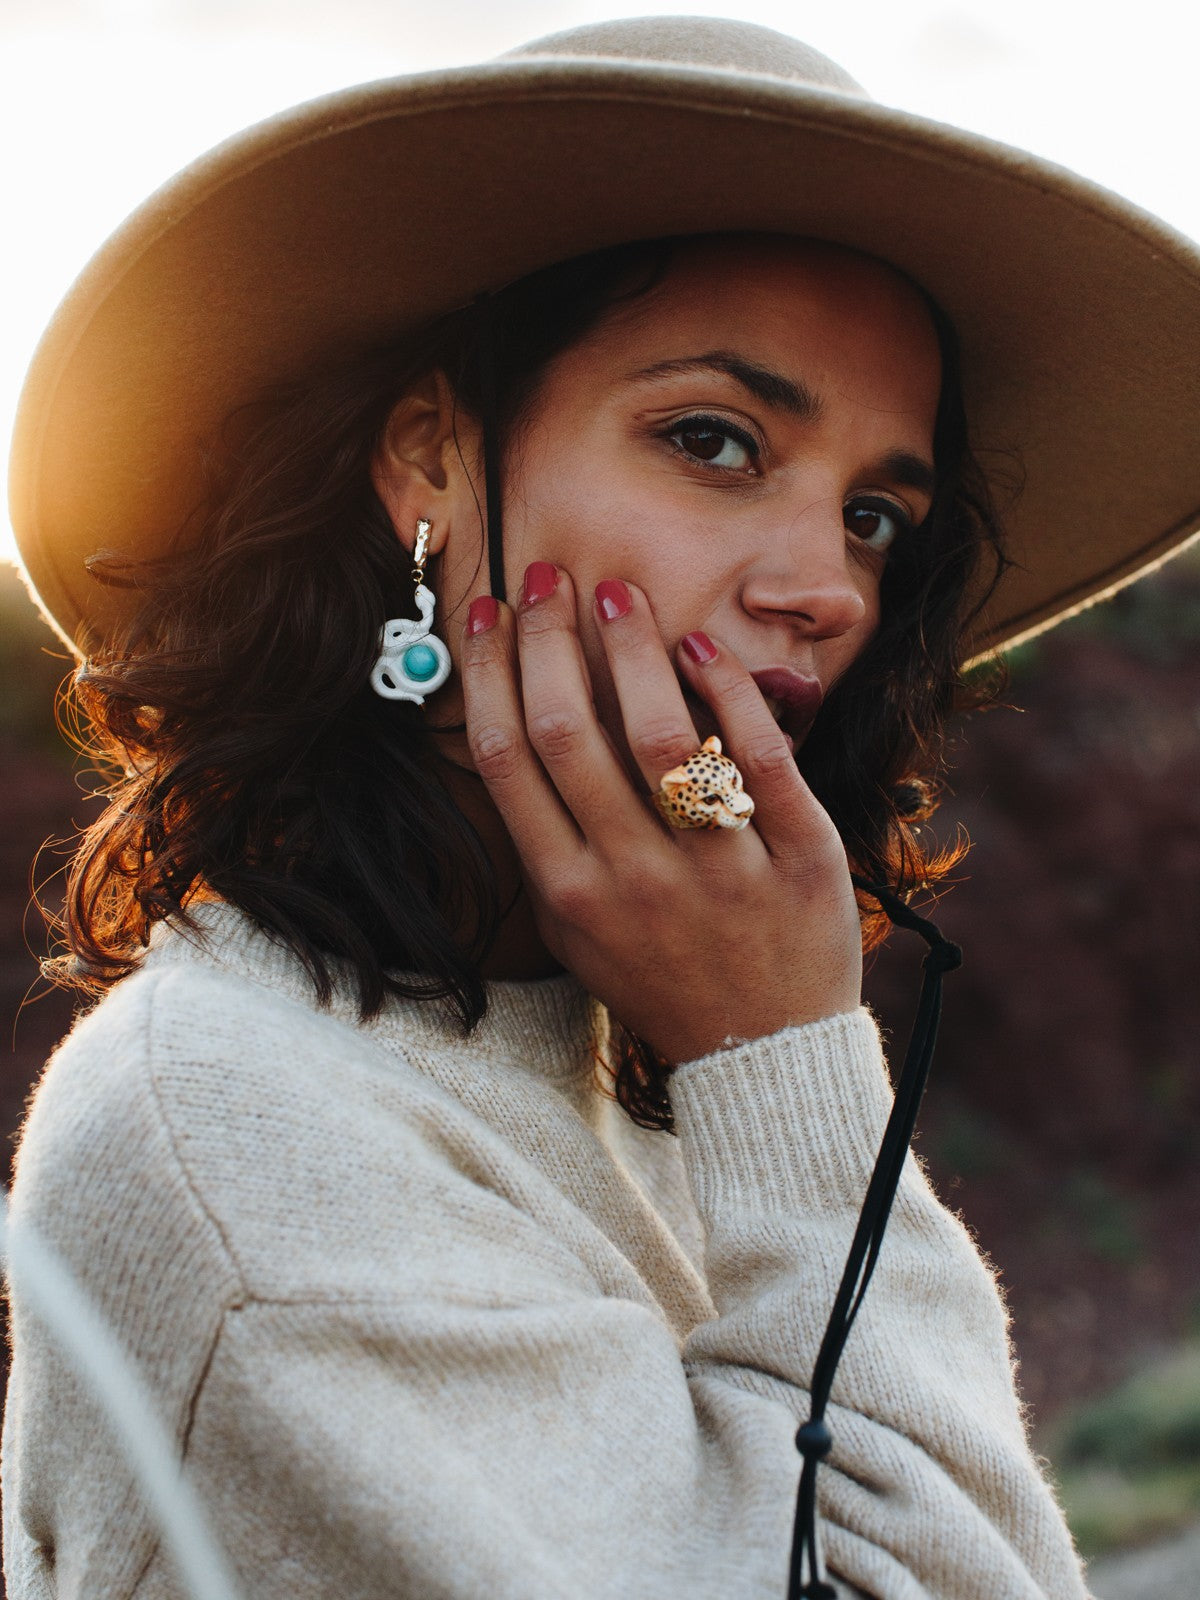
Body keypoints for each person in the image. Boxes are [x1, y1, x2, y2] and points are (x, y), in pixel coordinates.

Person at [5, 16, 1199, 1600]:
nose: (824, 588)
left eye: (874, 515)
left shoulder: (646, 1056)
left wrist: (769, 1059)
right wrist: (784, 1069)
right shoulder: (241, 1136)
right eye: (714, 441)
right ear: (431, 456)